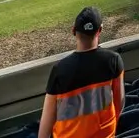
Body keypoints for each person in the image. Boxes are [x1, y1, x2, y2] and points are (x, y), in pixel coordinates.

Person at [37, 7, 124, 138]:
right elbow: (119, 103)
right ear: (99, 30)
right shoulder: (113, 61)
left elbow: (46, 125)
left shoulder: (60, 70)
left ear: (73, 31)